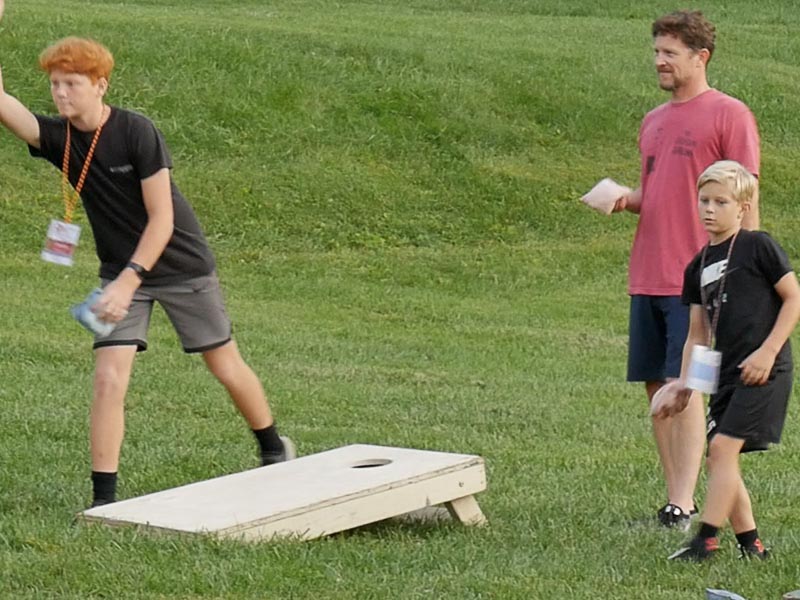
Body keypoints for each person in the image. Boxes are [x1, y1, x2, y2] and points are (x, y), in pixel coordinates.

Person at [0, 37, 295, 508]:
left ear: (100, 86)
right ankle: (104, 499)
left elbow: (163, 219)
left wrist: (130, 279)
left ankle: (274, 448)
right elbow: (3, 105)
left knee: (223, 363)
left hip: (179, 265)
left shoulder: (136, 131)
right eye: (55, 84)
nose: (60, 93)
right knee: (108, 377)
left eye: (72, 84)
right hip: (121, 275)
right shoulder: (58, 138)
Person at [612, 10, 761, 528]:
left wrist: (748, 269)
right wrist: (622, 199)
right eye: (656, 51)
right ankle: (678, 495)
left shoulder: (729, 114)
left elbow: (747, 196)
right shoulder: (653, 120)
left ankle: (680, 502)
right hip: (648, 272)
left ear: (701, 58)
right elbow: (653, 192)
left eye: (670, 53)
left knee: (691, 384)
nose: (659, 61)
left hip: (703, 280)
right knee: (658, 386)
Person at [654, 160, 800, 561]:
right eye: (704, 200)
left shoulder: (758, 246)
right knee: (720, 458)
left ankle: (705, 541)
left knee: (721, 450)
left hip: (765, 371)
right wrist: (688, 386)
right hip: (727, 375)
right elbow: (699, 335)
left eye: (721, 201)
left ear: (743, 206)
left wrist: (768, 351)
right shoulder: (696, 266)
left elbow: (794, 298)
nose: (710, 209)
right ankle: (752, 546)